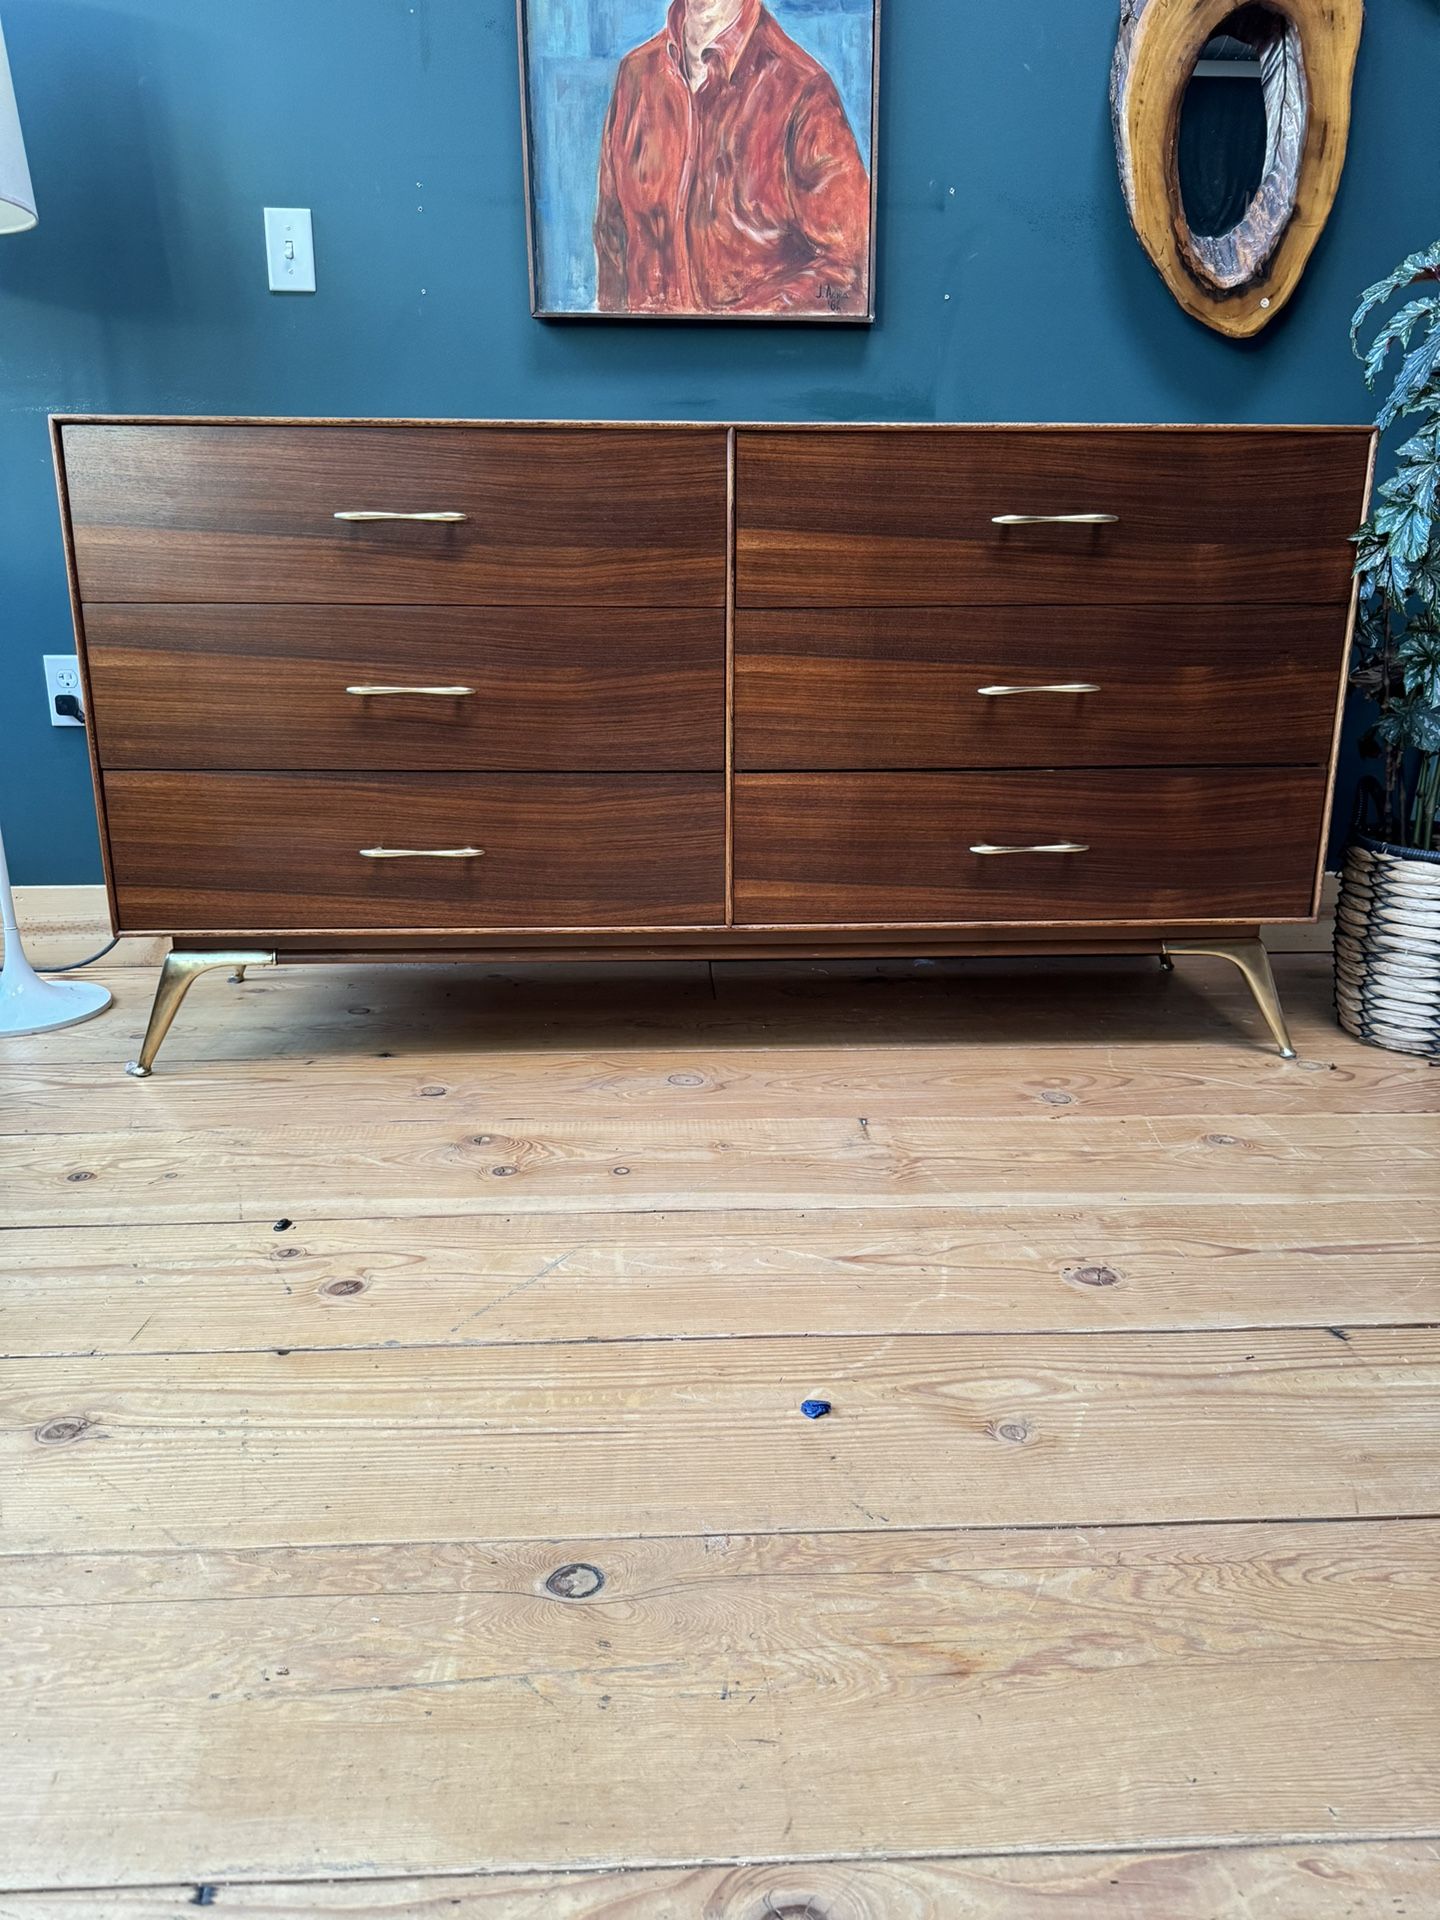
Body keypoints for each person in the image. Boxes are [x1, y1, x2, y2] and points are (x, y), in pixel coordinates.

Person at [594, 0, 871, 316]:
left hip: (757, 359)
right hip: (645, 358)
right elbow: (612, 239)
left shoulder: (803, 92)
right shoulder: (635, 77)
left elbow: (851, 270)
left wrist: (733, 326)